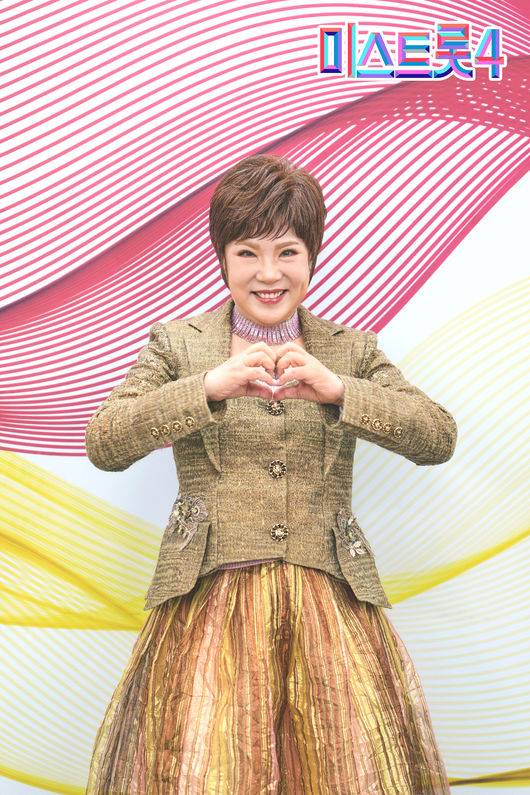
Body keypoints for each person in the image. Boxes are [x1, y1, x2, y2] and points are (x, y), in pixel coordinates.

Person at [85, 154, 456, 793]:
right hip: (205, 601)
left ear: (312, 256)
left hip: (332, 600)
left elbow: (437, 436)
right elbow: (105, 442)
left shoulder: (348, 350)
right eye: (247, 253)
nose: (268, 273)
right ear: (222, 258)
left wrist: (340, 391)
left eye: (287, 252)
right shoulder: (178, 346)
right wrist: (207, 388)